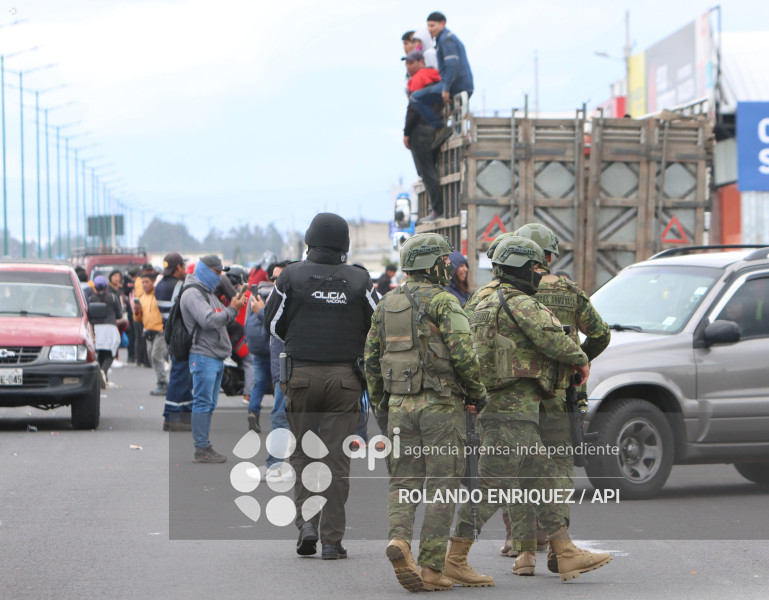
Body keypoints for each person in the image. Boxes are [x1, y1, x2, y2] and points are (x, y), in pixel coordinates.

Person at [451, 236, 612, 584]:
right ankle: (453, 556)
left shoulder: (479, 299)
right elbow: (553, 339)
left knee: (541, 477)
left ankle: (564, 551)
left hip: (495, 404)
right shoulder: (520, 302)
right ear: (523, 269)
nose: (540, 274)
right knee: (493, 486)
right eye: (535, 268)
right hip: (515, 407)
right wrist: (580, 360)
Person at [364, 232, 487, 592]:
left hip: (400, 406)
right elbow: (464, 355)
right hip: (441, 408)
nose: (448, 266)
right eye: (444, 261)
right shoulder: (445, 302)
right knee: (441, 488)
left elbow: (371, 361)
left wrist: (384, 409)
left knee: (403, 483)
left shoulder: (386, 304)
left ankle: (399, 541)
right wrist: (477, 395)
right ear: (431, 265)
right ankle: (432, 567)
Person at [262, 213, 378, 561]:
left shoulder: (291, 275)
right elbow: (378, 323)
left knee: (302, 454)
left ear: (309, 241)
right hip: (344, 379)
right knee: (336, 460)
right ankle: (331, 540)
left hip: (300, 376)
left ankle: (306, 525)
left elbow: (273, 325)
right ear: (344, 243)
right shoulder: (360, 279)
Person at [510, 222, 611, 573]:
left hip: (516, 397)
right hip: (559, 395)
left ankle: (523, 554)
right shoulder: (567, 290)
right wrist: (578, 360)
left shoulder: (509, 289)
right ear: (548, 255)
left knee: (522, 470)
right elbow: (600, 333)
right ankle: (557, 550)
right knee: (558, 472)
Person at [180, 255, 247, 463]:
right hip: (203, 355)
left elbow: (220, 319)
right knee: (202, 402)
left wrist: (231, 308)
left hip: (214, 356)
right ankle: (201, 447)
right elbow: (209, 320)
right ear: (205, 271)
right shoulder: (193, 294)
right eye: (217, 273)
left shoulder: (207, 293)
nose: (220, 277)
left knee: (208, 403)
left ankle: (205, 445)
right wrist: (233, 309)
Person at [409, 11, 474, 148]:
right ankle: (447, 130)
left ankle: (440, 127)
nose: (430, 29)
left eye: (433, 25)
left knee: (416, 98)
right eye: (428, 26)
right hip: (460, 85)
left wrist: (445, 89)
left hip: (457, 86)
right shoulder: (444, 39)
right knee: (455, 115)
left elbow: (452, 65)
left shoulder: (446, 39)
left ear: (443, 24)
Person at [403, 50, 444, 223]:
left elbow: (412, 109)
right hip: (433, 128)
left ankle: (437, 210)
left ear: (421, 62)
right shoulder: (434, 77)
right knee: (431, 170)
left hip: (420, 130)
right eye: (407, 63)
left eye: (411, 62)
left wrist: (406, 132)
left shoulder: (418, 80)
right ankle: (437, 209)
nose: (408, 66)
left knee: (426, 172)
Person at [155, 252, 194, 431]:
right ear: (178, 267)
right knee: (179, 375)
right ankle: (171, 415)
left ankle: (185, 413)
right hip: (181, 335)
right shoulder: (180, 285)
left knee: (183, 375)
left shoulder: (160, 284)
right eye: (183, 267)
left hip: (169, 333)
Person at [134, 270, 170, 396]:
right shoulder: (142, 297)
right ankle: (164, 381)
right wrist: (137, 311)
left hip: (160, 331)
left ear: (154, 282)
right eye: (143, 282)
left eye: (147, 282)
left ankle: (162, 383)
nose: (144, 284)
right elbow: (138, 319)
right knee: (152, 357)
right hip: (149, 333)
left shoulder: (160, 295)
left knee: (156, 356)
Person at [88, 275, 124, 386]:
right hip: (110, 328)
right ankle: (103, 371)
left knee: (101, 353)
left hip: (96, 329)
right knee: (110, 354)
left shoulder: (91, 299)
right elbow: (119, 315)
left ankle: (103, 377)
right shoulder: (113, 297)